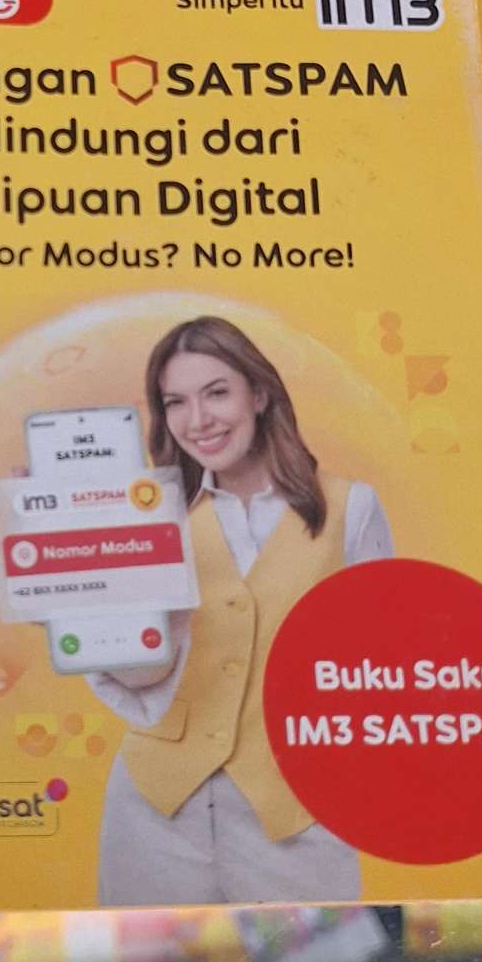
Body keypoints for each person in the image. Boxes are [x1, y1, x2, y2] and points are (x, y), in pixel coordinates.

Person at [88, 316, 391, 908]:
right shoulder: (150, 515)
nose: (198, 420)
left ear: (259, 393)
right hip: (153, 812)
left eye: (217, 393)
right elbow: (135, 673)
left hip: (297, 816)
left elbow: (377, 670)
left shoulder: (351, 509)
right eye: (176, 402)